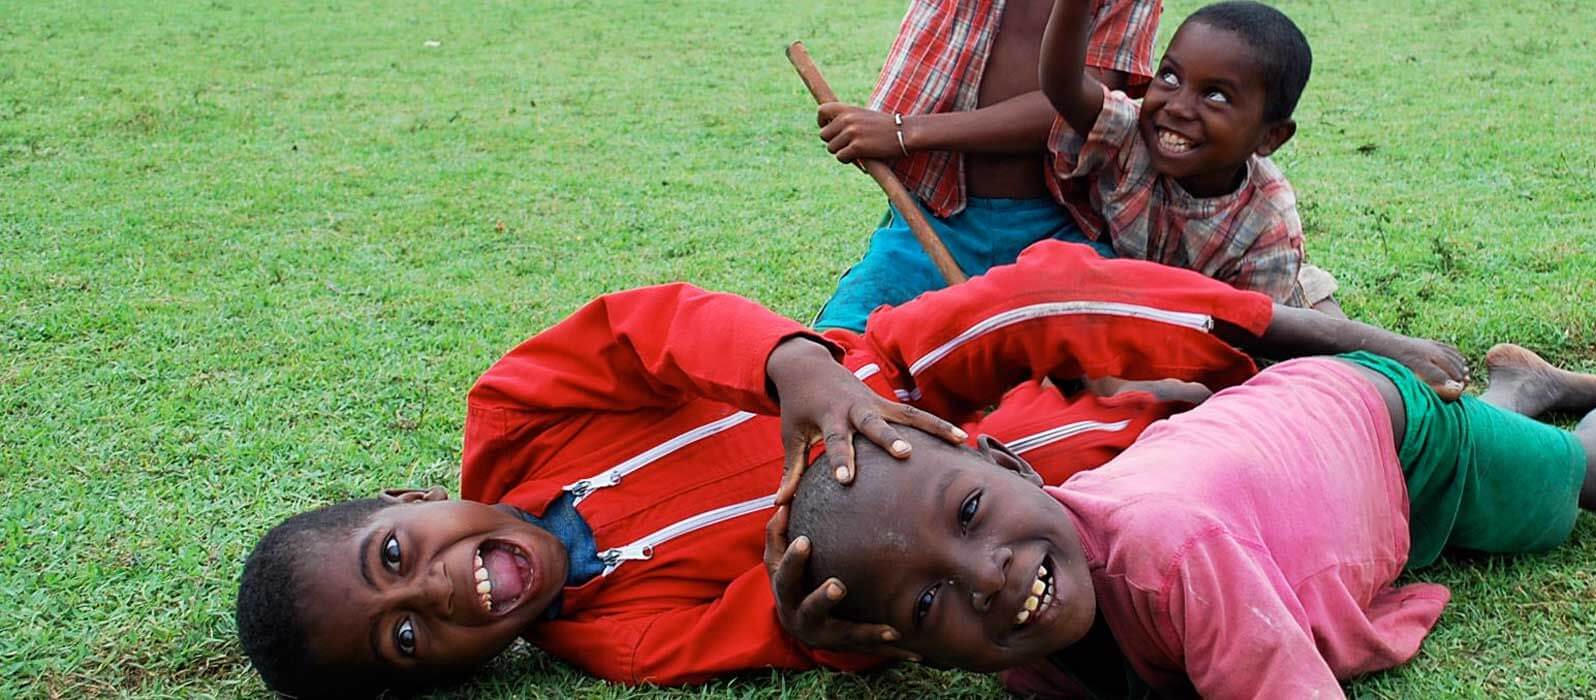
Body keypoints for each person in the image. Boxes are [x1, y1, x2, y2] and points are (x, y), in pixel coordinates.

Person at [231, 241, 1468, 697]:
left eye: (395, 558)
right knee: (1113, 460)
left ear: (403, 503)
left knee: (1028, 294)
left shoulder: (509, 415)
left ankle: (1312, 329)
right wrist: (812, 624)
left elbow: (647, 324)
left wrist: (794, 368)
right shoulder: (604, 641)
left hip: (888, 376)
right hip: (961, 509)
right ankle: (1179, 395)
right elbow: (780, 626)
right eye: (405, 639)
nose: (442, 593)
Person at [779, 311, 1596, 697]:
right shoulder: (1033, 625)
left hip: (1390, 431)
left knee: (1579, 485)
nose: (988, 575)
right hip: (1303, 450)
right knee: (1513, 455)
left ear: (1010, 464)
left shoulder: (1165, 553)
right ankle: (1522, 389)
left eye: (968, 516)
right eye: (928, 608)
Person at [811, 0, 1162, 333]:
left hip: (1061, 232)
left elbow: (1080, 105)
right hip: (933, 224)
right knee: (836, 350)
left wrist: (906, 132)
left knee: (1120, 356)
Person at [1041, 0, 1337, 312]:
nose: (1178, 107)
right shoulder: (1134, 133)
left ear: (1270, 137)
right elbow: (1064, 87)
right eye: (1170, 76)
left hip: (1265, 298)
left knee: (1334, 341)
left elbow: (1246, 334)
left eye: (1216, 95)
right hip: (1148, 289)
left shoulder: (1267, 228)